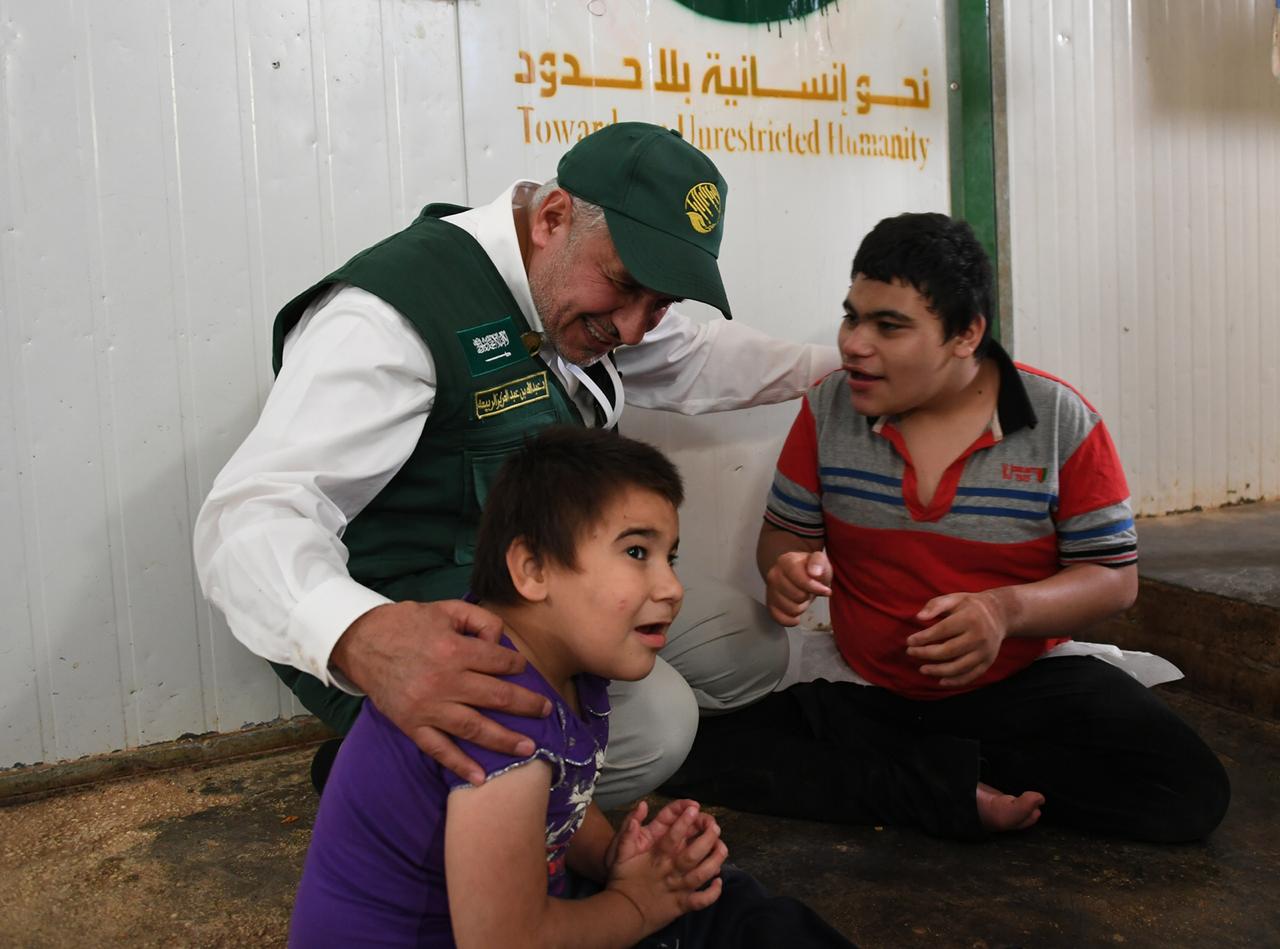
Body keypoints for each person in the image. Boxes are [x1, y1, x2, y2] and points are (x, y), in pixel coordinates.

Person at [193, 122, 837, 804]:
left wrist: (841, 367)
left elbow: (694, 357)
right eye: (624, 288)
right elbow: (252, 512)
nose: (631, 328)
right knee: (654, 726)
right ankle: (388, 774)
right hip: (414, 607)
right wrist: (362, 637)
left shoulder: (581, 290)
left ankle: (467, 774)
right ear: (553, 218)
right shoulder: (390, 317)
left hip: (538, 579)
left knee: (748, 648)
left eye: (661, 304)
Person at [664, 212, 1231, 842]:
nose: (854, 343)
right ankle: (948, 785)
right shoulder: (829, 408)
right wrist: (788, 568)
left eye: (890, 326)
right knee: (687, 749)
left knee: (1189, 791)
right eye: (853, 316)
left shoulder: (1059, 420)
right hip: (867, 687)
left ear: (966, 334)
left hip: (1022, 686)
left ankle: (928, 779)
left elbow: (1113, 580)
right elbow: (788, 538)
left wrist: (1003, 612)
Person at [288, 427, 855, 948]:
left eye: (670, 557)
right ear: (533, 570)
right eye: (637, 552)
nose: (673, 586)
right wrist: (635, 904)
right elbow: (505, 943)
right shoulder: (497, 714)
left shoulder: (557, 661)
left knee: (724, 902)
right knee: (717, 916)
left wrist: (612, 860)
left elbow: (564, 808)